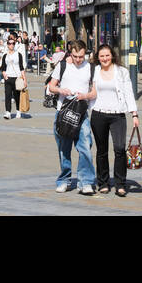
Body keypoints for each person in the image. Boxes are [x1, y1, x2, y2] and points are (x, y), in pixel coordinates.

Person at [46, 39, 97, 196]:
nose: (78, 60)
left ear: (85, 53)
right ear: (70, 52)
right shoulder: (62, 66)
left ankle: (86, 182)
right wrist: (61, 90)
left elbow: (94, 92)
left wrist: (85, 96)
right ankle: (64, 180)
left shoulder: (91, 68)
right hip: (63, 113)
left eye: (81, 56)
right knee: (64, 149)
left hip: (82, 114)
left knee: (85, 147)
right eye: (75, 56)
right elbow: (50, 86)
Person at [89, 44, 140, 197]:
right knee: (101, 151)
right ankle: (103, 182)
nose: (105, 58)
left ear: (112, 56)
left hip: (117, 115)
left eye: (107, 55)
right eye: (102, 56)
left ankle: (120, 184)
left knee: (119, 149)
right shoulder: (94, 71)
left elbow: (129, 92)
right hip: (98, 114)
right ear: (98, 57)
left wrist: (134, 114)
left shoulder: (122, 72)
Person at [0, 37, 26, 119]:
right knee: (7, 96)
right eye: (10, 44)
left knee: (17, 95)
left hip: (17, 78)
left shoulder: (18, 55)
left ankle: (18, 110)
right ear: (7, 45)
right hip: (8, 78)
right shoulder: (5, 55)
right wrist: (4, 74)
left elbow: (22, 67)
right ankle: (8, 112)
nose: (11, 45)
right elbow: (3, 67)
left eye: (13, 43)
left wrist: (24, 79)